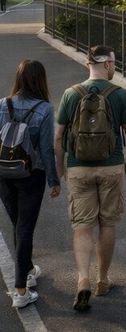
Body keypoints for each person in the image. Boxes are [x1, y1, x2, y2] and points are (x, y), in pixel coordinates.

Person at [54, 45, 126, 313]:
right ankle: (102, 280)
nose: (115, 67)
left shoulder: (71, 94)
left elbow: (58, 137)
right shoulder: (120, 95)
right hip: (111, 169)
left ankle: (82, 279)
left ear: (88, 64)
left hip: (79, 170)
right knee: (107, 223)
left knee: (82, 226)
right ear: (107, 65)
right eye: (114, 63)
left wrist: (60, 170)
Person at [1, 60, 61, 309]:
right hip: (31, 175)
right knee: (24, 228)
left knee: (19, 225)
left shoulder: (3, 104)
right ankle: (20, 290)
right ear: (40, 80)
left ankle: (27, 270)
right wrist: (54, 180)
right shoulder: (44, 109)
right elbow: (46, 149)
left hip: (4, 173)